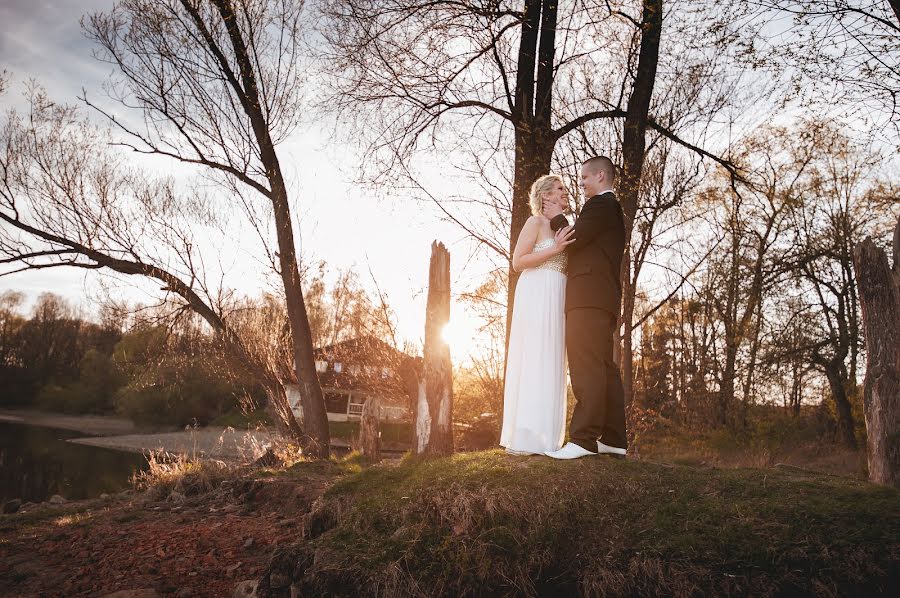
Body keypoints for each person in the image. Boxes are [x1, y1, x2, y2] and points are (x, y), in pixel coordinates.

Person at [542, 156, 628, 459]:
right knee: (605, 368)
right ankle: (614, 439)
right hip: (602, 299)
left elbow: (573, 239)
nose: (581, 184)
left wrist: (556, 217)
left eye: (584, 178)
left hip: (588, 298)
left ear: (600, 176)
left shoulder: (602, 205)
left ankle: (583, 440)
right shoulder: (611, 210)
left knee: (586, 366)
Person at [499, 174, 575, 456]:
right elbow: (518, 262)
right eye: (560, 189)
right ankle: (525, 435)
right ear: (545, 196)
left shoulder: (563, 225)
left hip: (559, 293)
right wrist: (554, 249)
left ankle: (547, 438)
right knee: (534, 356)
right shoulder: (535, 223)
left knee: (553, 358)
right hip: (536, 291)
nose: (566, 194)